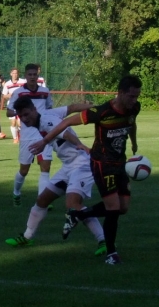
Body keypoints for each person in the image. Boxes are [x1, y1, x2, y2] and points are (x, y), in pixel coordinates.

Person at [31, 75, 141, 266]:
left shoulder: (134, 108)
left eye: (137, 96)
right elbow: (66, 123)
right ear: (120, 93)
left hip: (119, 163)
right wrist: (44, 141)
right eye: (131, 96)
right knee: (113, 209)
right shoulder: (102, 112)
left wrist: (134, 142)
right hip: (102, 164)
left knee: (123, 207)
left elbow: (131, 123)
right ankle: (111, 253)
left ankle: (78, 214)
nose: (134, 100)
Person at [6, 97, 106, 254]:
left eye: (26, 114)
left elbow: (65, 133)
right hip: (68, 167)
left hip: (81, 165)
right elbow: (71, 107)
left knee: (73, 205)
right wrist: (99, 108)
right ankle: (27, 237)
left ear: (34, 110)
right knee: (42, 200)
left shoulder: (46, 121)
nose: (24, 119)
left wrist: (79, 143)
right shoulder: (47, 115)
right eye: (21, 116)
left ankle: (104, 241)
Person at [6, 64, 54, 202]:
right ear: (25, 76)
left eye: (34, 74)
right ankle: (16, 192)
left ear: (38, 75)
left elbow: (49, 109)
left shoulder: (45, 92)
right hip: (27, 136)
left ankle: (43, 200)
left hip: (44, 135)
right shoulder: (19, 93)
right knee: (24, 170)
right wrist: (22, 113)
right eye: (30, 74)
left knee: (45, 168)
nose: (32, 77)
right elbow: (8, 112)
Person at [1, 68, 24, 143]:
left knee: (20, 124)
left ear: (18, 74)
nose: (15, 75)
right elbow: (4, 96)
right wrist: (9, 95)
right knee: (13, 123)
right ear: (11, 74)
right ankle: (15, 138)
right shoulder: (7, 84)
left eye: (16, 73)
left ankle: (20, 136)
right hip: (11, 105)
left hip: (21, 105)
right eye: (13, 73)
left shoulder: (23, 82)